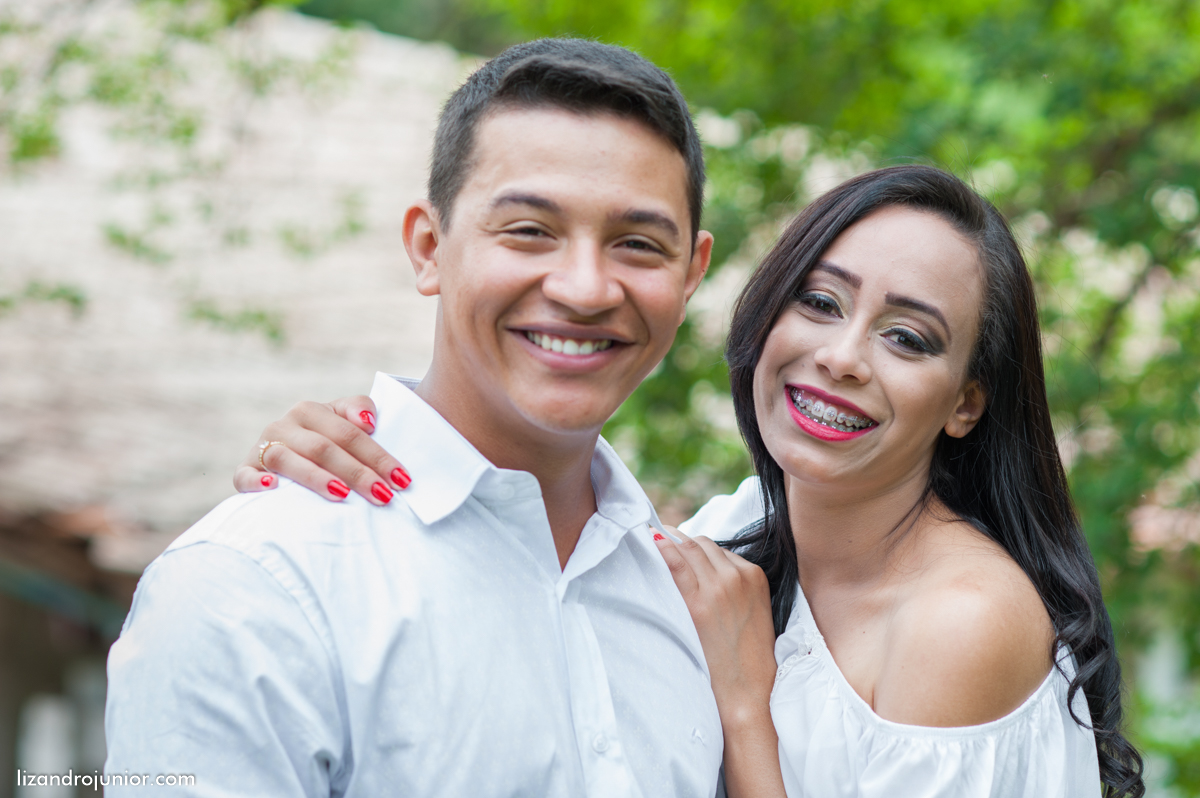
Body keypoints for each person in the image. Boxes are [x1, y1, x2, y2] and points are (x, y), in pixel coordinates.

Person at [243, 166, 1145, 797]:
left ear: (965, 403)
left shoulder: (964, 622)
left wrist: (746, 706)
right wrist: (347, 443)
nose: (840, 356)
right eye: (821, 302)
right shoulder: (731, 530)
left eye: (906, 337)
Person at [105, 38, 726, 797]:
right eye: (530, 230)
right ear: (429, 247)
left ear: (691, 273)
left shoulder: (699, 596)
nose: (586, 287)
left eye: (637, 244)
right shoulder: (256, 583)